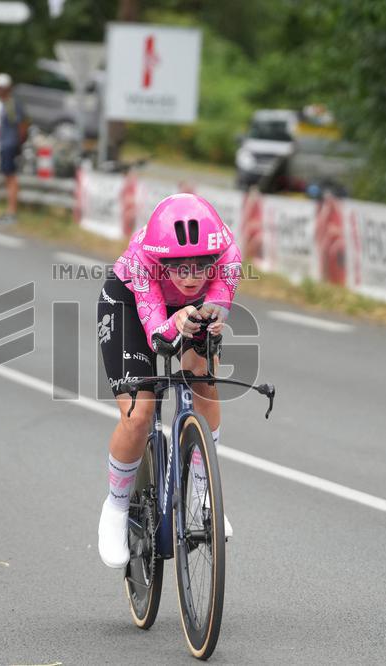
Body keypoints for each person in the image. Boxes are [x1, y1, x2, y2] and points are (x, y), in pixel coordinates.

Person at [95, 193, 242, 568]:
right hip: (132, 305)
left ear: (215, 259)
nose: (192, 276)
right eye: (180, 267)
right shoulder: (143, 262)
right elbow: (157, 335)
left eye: (201, 266)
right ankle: (115, 507)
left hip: (188, 312)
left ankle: (201, 494)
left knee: (204, 378)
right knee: (139, 411)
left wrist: (204, 322)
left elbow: (214, 312)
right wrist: (174, 323)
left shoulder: (228, 258)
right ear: (162, 260)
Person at [0, 72, 27, 225]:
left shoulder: (12, 104)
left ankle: (12, 211)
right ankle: (10, 210)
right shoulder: (4, 104)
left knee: (11, 177)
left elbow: (22, 125)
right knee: (8, 176)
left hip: (10, 144)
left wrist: (19, 144)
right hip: (5, 144)